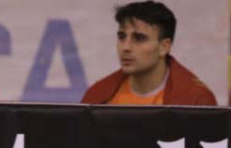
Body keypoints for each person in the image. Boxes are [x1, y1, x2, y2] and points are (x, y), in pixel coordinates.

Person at [81, 1, 216, 105]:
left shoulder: (196, 100)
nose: (125, 47)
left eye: (139, 38)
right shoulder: (98, 95)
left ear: (164, 47)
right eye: (122, 37)